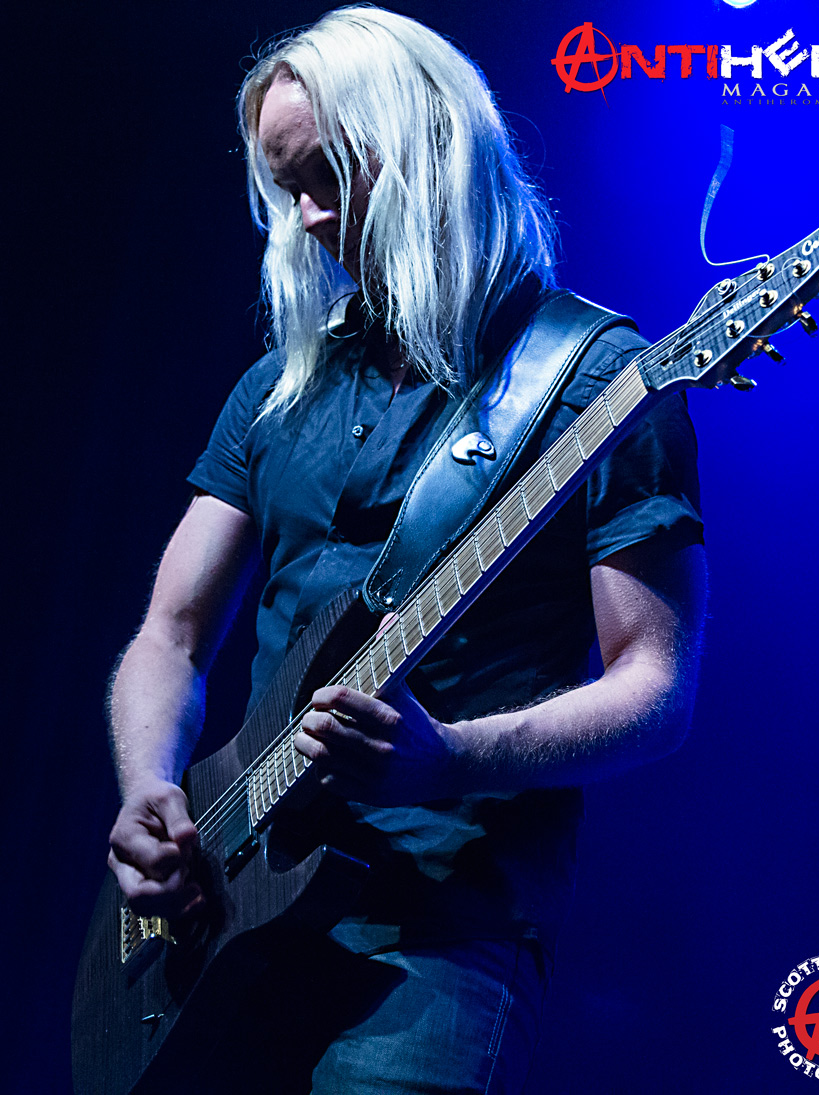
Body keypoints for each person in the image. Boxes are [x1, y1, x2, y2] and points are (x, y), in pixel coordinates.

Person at [105, 6, 706, 1092]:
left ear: (426, 147)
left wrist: (452, 758)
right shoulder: (278, 387)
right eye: (286, 188)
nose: (305, 218)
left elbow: (655, 687)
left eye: (326, 177)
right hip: (225, 920)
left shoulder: (593, 383)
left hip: (436, 934)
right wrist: (147, 786)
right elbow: (170, 634)